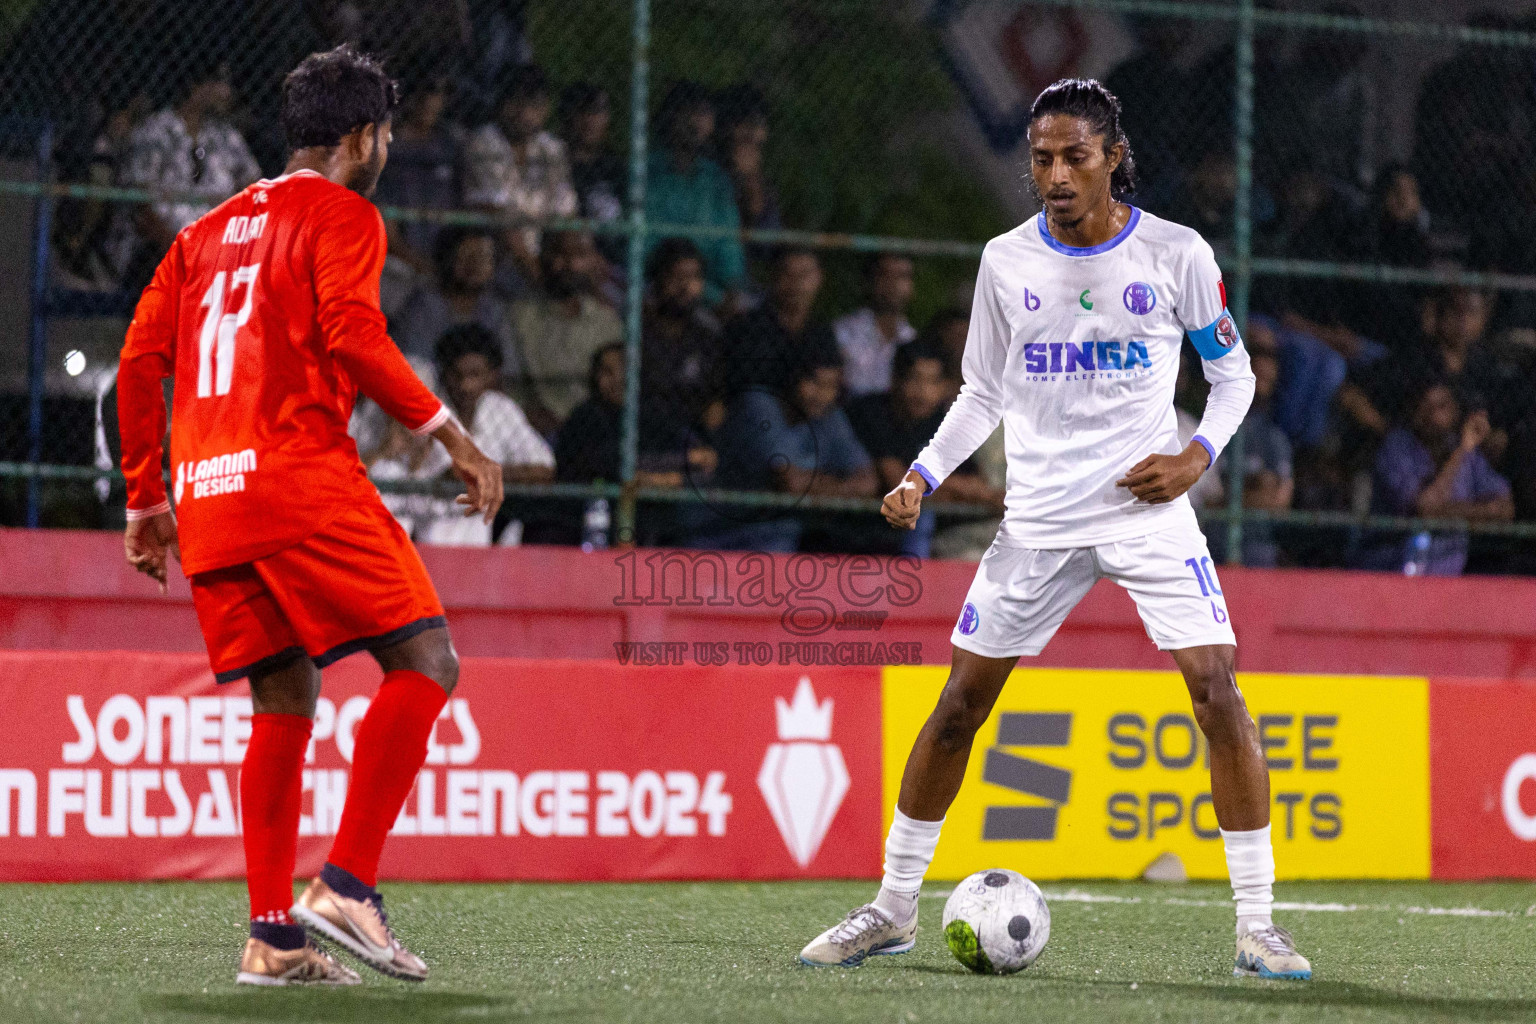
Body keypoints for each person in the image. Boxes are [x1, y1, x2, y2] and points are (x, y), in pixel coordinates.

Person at [799, 78, 1311, 981]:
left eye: (1076, 155)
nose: (1057, 174)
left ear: (1114, 156)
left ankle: (1259, 927)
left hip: (1148, 512)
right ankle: (890, 909)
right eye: (1041, 158)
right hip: (1035, 520)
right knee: (959, 705)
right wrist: (924, 472)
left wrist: (1197, 456)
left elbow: (1233, 378)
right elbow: (982, 394)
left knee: (1216, 692)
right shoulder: (1006, 261)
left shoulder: (1176, 253)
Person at [117, 45, 504, 987]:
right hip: (298, 481)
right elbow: (354, 335)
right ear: (364, 138)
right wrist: (453, 433)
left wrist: (144, 499)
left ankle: (272, 939)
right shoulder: (341, 212)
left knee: (283, 700)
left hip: (208, 500)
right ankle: (348, 885)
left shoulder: (202, 232)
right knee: (427, 659)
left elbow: (136, 362)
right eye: (386, 136)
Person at [688, 347, 874, 552]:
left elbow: (868, 482)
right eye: (814, 383)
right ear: (794, 379)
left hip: (774, 536)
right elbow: (790, 483)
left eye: (830, 386)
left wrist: (814, 484)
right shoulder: (758, 404)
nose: (821, 395)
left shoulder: (830, 417)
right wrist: (838, 484)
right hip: (715, 531)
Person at [846, 341, 1002, 557]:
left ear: (945, 387)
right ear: (895, 380)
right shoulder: (873, 412)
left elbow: (976, 483)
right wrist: (958, 491)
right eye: (915, 379)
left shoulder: (939, 420)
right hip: (853, 528)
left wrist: (929, 485)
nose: (923, 391)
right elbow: (897, 482)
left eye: (932, 382)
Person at [116, 60, 261, 289]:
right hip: (163, 249)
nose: (227, 92)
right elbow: (141, 209)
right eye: (220, 83)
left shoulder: (226, 137)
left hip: (221, 248)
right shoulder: (155, 133)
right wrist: (185, 252)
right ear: (196, 87)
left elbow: (254, 191)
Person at [1363, 380, 1513, 576]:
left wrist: (1444, 513)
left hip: (1448, 576)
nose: (1434, 415)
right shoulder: (1397, 448)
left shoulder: (1467, 453)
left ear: (1455, 410)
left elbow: (1504, 509)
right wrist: (1462, 451)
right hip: (1390, 572)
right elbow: (1425, 509)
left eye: (1442, 406)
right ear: (1413, 412)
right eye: (1425, 407)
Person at [462, 64, 577, 286]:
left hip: (545, 253)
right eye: (516, 103)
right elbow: (500, 216)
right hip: (497, 255)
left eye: (534, 105)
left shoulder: (551, 148)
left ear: (545, 109)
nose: (524, 114)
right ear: (500, 104)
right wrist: (539, 277)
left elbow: (566, 214)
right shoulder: (483, 142)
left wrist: (569, 265)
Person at [508, 229, 624, 436]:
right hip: (536, 429)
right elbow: (510, 384)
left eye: (579, 255)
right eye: (560, 254)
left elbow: (615, 387)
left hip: (596, 428)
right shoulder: (519, 317)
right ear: (543, 257)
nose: (569, 264)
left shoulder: (606, 320)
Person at [645, 81, 746, 305]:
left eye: (704, 113)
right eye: (689, 111)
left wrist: (731, 291)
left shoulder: (717, 179)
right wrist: (710, 294)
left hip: (709, 292)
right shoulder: (645, 173)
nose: (697, 120)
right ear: (671, 117)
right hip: (657, 288)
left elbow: (728, 247)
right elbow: (644, 251)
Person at [370, 74, 461, 317]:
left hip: (446, 255)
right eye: (424, 93)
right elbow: (388, 233)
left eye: (437, 94)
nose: (429, 102)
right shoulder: (385, 146)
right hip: (400, 259)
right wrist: (424, 266)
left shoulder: (449, 145)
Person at [720, 246, 839, 399]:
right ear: (774, 276)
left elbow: (831, 379)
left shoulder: (821, 331)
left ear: (819, 278)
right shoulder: (748, 326)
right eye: (788, 274)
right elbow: (746, 383)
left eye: (804, 275)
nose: (796, 283)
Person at [391, 226, 516, 366]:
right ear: (448, 259)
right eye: (466, 255)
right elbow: (415, 363)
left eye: (482, 257)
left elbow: (506, 368)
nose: (474, 264)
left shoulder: (493, 310)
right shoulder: (424, 305)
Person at [641, 238, 724, 438]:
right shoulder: (639, 330)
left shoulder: (707, 333)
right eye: (676, 276)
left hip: (696, 434)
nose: (685, 286)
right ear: (658, 279)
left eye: (693, 277)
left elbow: (716, 392)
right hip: (648, 431)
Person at [835, 253, 918, 398]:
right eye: (885, 275)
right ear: (869, 281)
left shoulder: (912, 338)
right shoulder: (843, 332)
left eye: (902, 276)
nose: (893, 284)